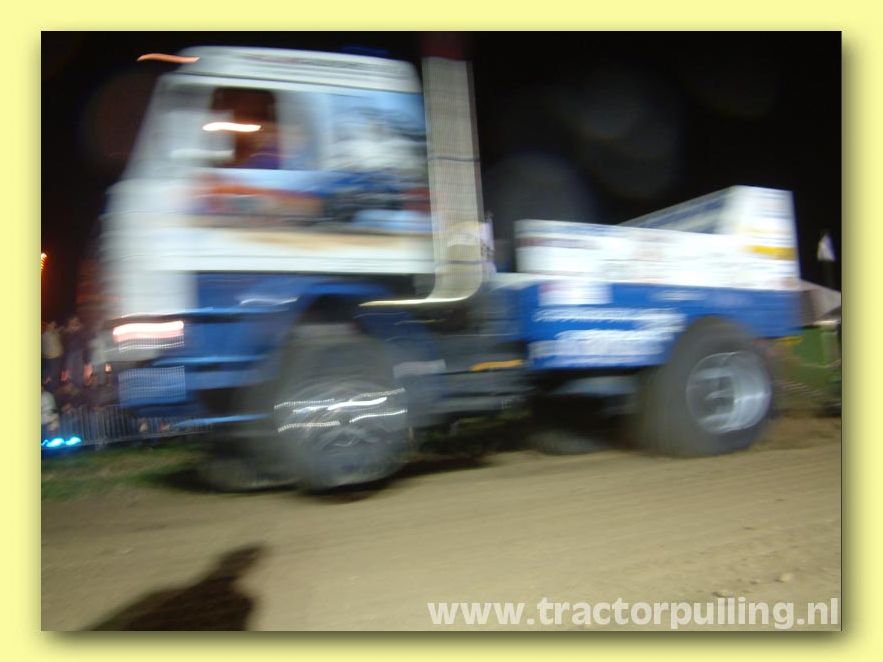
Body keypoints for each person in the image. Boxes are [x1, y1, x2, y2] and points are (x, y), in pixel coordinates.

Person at [63, 316, 86, 388]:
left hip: (79, 351)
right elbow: (65, 342)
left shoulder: (80, 328)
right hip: (70, 352)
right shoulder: (66, 330)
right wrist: (70, 331)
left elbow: (84, 338)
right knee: (70, 370)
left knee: (79, 370)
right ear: (70, 321)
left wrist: (79, 330)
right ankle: (72, 386)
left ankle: (79, 386)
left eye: (76, 320)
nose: (74, 322)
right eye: (73, 320)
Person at [41, 321, 63, 388]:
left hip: (58, 358)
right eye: (52, 324)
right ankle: (50, 390)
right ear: (48, 325)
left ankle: (55, 388)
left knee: (56, 375)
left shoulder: (55, 333)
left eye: (54, 324)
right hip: (50, 359)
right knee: (50, 377)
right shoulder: (44, 334)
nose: (54, 325)